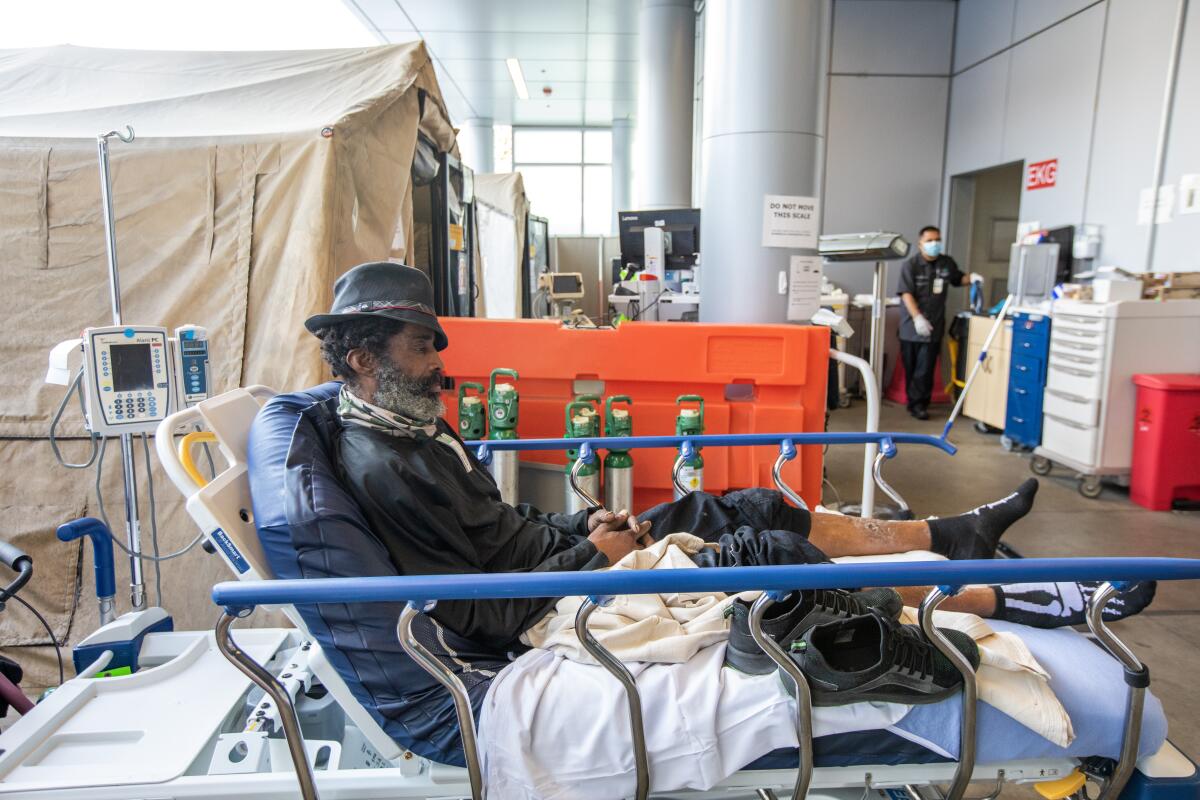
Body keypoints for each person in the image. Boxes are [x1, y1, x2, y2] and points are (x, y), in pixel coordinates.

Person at [302, 262, 1154, 651]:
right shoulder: (386, 467)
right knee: (767, 553)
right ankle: (1020, 601)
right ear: (363, 358)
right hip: (553, 605)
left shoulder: (415, 430)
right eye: (422, 348)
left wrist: (584, 523)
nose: (440, 363)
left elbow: (500, 525)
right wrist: (587, 564)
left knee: (749, 507)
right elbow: (475, 612)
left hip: (571, 560)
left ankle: (948, 530)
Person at [897, 226, 981, 420]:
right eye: (930, 240)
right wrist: (917, 317)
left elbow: (958, 279)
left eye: (937, 240)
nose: (934, 244)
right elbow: (906, 294)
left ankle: (920, 405)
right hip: (911, 326)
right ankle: (913, 402)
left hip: (934, 326)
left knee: (925, 368)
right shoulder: (911, 265)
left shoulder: (946, 263)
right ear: (920, 244)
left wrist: (973, 278)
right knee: (912, 367)